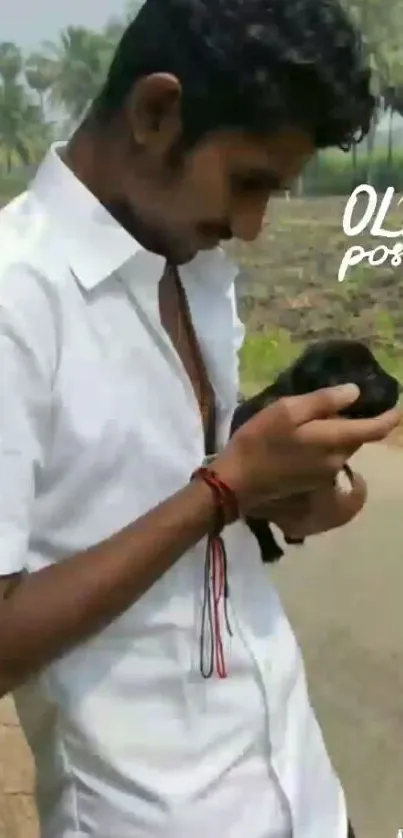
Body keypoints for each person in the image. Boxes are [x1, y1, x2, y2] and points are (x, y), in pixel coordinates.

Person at [0, 1, 398, 837]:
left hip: (304, 799)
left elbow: (198, 515)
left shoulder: (194, 268)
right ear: (154, 112)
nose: (252, 227)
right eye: (248, 181)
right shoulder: (15, 301)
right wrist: (222, 489)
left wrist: (296, 494)